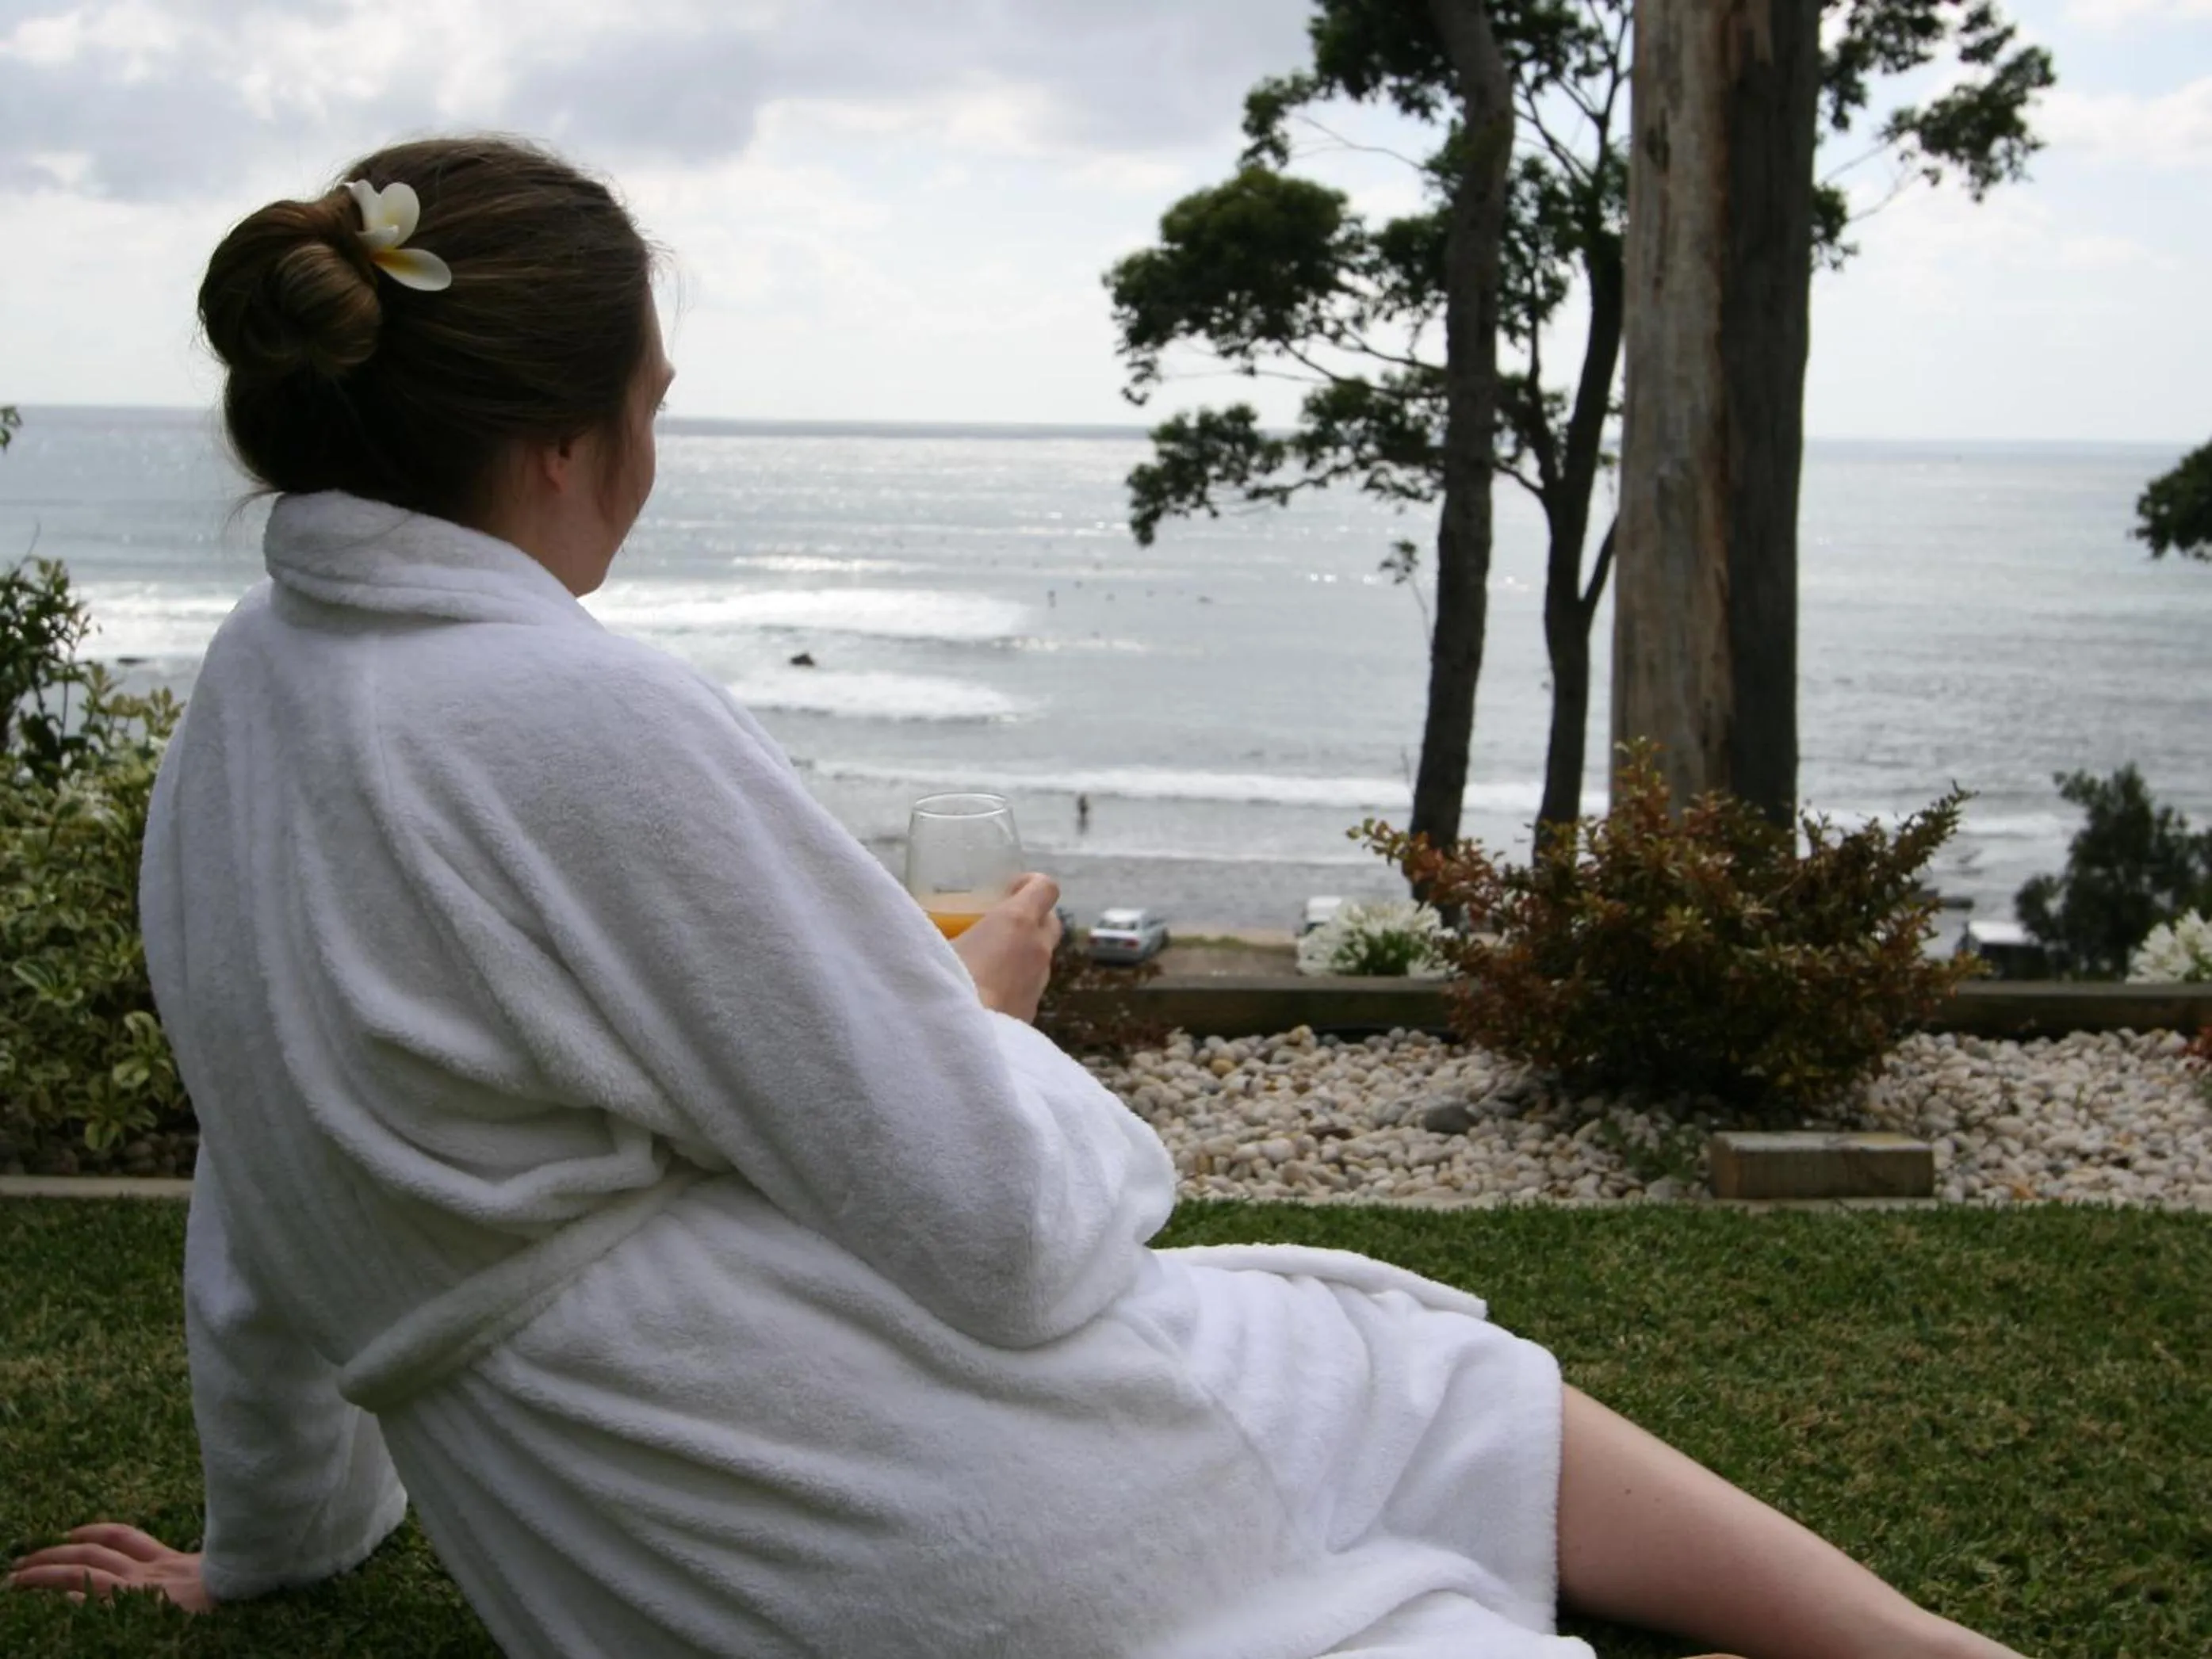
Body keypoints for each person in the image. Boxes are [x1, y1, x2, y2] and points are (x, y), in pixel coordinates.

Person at [9, 137, 2026, 1659]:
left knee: (1362, 1357)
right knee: (1351, 1370)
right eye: (653, 407)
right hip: (863, 1505)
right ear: (557, 440)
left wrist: (269, 1541)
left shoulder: (247, 715)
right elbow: (1000, 1233)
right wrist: (989, 1019)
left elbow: (264, 1199)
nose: (652, 452)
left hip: (608, 1543)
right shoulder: (567, 712)